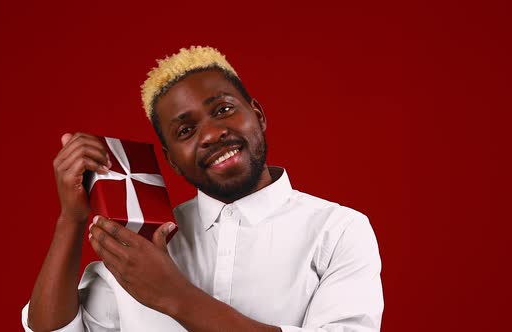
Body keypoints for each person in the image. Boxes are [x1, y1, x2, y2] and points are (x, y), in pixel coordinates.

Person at [22, 46, 384, 332]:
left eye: (224, 109)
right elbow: (54, 329)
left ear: (257, 114)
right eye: (185, 131)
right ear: (173, 160)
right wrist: (71, 219)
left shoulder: (338, 230)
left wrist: (173, 296)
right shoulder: (146, 240)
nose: (211, 134)